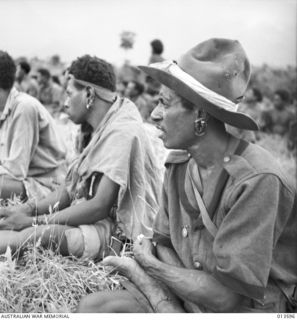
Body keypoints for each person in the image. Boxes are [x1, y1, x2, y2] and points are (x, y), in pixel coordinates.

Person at [77, 38, 297, 313]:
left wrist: (149, 266)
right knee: (92, 308)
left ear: (200, 116)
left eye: (165, 104)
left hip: (249, 307)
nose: (154, 115)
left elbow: (226, 297)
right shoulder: (179, 164)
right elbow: (164, 242)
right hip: (188, 291)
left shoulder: (257, 180)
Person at [0, 55, 161, 262]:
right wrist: (28, 209)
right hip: (96, 217)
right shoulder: (92, 128)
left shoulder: (122, 130)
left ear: (89, 94)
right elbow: (69, 190)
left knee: (39, 236)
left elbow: (99, 206)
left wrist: (33, 222)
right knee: (17, 222)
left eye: (69, 94)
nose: (65, 103)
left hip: (121, 234)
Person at [0, 51, 66, 201]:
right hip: (26, 179)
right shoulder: (5, 109)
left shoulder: (23, 107)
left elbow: (14, 173)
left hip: (47, 185)